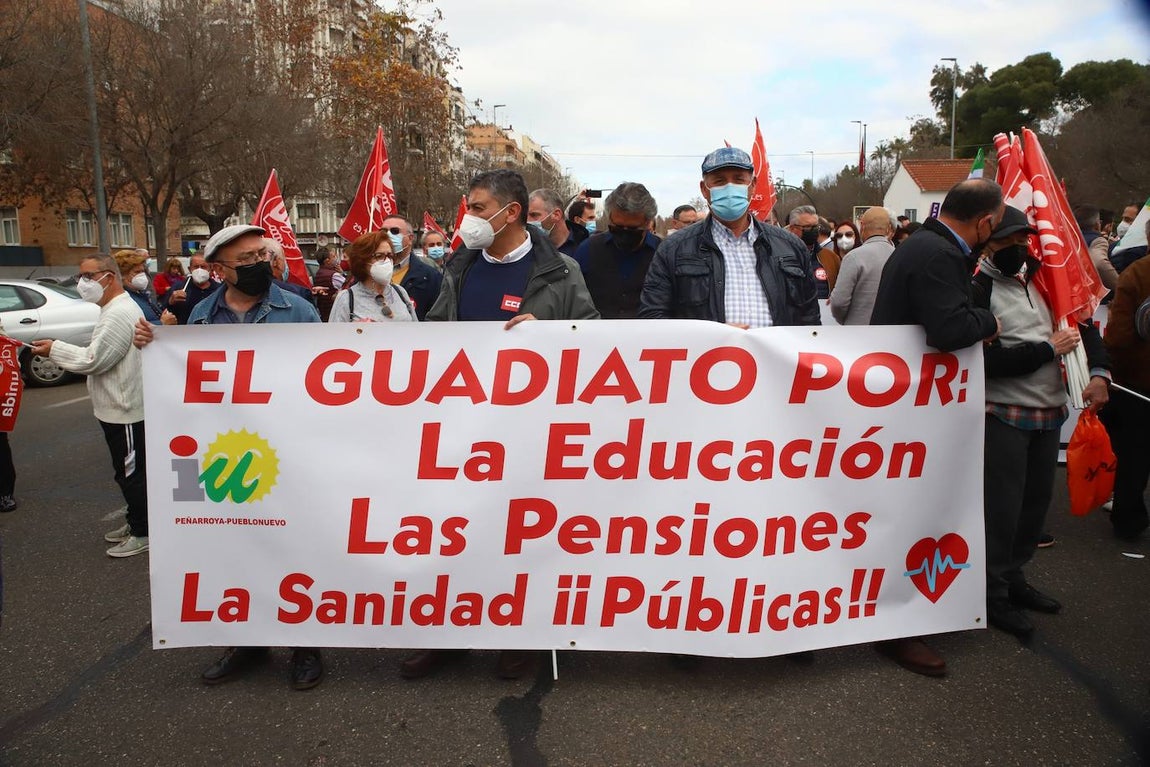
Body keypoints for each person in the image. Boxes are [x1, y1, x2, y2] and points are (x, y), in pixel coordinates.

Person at [405, 169, 598, 682]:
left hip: (530, 433)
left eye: (477, 206)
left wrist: (553, 334)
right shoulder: (458, 268)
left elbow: (595, 340)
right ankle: (449, 634)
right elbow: (436, 337)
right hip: (463, 428)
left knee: (520, 535)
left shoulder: (560, 272)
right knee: (454, 532)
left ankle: (521, 636)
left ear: (510, 213)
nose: (467, 216)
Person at [134, 224, 322, 689]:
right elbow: (185, 382)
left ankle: (305, 644)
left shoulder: (296, 309)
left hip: (288, 452)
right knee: (237, 547)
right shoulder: (200, 315)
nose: (261, 262)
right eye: (247, 258)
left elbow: (323, 377)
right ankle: (247, 641)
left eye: (263, 253)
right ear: (219, 269)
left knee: (294, 548)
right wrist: (156, 345)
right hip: (230, 454)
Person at [869, 178, 1005, 677]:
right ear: (985, 221)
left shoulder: (921, 245)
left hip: (912, 402)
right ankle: (897, 629)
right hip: (913, 409)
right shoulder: (938, 255)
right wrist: (988, 323)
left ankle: (906, 617)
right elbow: (949, 330)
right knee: (912, 512)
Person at [972, 206, 1110, 640]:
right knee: (1002, 509)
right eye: (1005, 242)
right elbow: (983, 361)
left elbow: (1084, 327)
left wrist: (1100, 373)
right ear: (986, 243)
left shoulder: (1049, 278)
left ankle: (1014, 577)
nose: (1016, 248)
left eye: (1021, 241)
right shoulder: (976, 288)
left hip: (1051, 414)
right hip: (1004, 414)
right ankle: (991, 595)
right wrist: (1047, 350)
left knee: (1034, 507)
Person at [31, 254, 147, 557]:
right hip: (114, 407)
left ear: (108, 277)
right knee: (125, 472)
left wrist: (55, 348)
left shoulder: (119, 312)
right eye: (80, 276)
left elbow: (94, 360)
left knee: (132, 474)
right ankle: (137, 519)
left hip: (126, 409)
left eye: (87, 276)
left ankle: (143, 529)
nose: (81, 283)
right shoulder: (111, 309)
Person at [639, 146, 820, 328]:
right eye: (719, 181)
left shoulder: (791, 246)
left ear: (753, 186)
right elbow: (653, 318)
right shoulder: (673, 249)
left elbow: (810, 321)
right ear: (704, 189)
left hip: (775, 356)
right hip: (706, 356)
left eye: (739, 180)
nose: (730, 188)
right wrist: (714, 337)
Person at [1101, 219, 1150, 541]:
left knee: (1133, 454)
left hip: (1137, 378)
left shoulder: (1138, 272)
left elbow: (1118, 334)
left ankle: (1129, 520)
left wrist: (1108, 367)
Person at [574, 182, 660, 318]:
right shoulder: (588, 249)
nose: (624, 233)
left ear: (648, 223)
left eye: (632, 228)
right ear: (609, 218)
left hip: (649, 336)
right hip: (596, 335)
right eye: (618, 226)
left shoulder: (663, 254)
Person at [329, 231, 417, 322]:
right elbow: (335, 335)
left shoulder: (400, 292)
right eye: (379, 256)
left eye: (389, 256)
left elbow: (416, 330)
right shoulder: (346, 299)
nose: (386, 261)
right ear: (362, 261)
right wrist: (357, 332)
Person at [829, 207, 896, 325]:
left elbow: (839, 302)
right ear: (889, 228)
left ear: (862, 226)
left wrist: (845, 320)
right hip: (893, 331)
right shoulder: (899, 256)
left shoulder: (853, 257)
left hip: (857, 331)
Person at [380, 215, 442, 321]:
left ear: (410, 238)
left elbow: (437, 318)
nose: (387, 235)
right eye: (383, 231)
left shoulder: (431, 277)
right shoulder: (366, 274)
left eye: (395, 231)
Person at [785, 205, 840, 299]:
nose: (814, 230)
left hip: (824, 312)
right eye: (808, 226)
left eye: (816, 226)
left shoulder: (831, 257)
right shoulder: (780, 256)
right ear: (793, 229)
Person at [113, 249, 175, 327]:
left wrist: (170, 303)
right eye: (137, 272)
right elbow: (130, 329)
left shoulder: (142, 294)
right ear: (122, 275)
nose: (142, 276)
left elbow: (155, 313)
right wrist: (162, 323)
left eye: (143, 271)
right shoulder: (123, 299)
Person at [163, 253, 221, 325]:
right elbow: (164, 311)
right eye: (196, 267)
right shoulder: (179, 288)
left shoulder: (219, 290)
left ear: (211, 269)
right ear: (190, 269)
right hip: (186, 332)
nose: (199, 270)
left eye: (203, 267)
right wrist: (170, 302)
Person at [1073, 205, 1119, 292]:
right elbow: (1099, 263)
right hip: (1081, 291)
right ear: (1098, 224)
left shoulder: (1066, 237)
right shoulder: (1098, 241)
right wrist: (1120, 285)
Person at [528, 188, 581, 258]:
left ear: (556, 215)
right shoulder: (526, 250)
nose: (527, 221)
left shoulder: (584, 247)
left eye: (534, 215)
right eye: (525, 216)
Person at [263, 238, 316, 305]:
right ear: (276, 261)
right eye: (284, 259)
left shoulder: (249, 291)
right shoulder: (299, 293)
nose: (286, 264)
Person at [310, 247, 342, 321]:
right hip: (333, 313)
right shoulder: (334, 276)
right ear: (327, 261)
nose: (336, 258)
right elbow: (348, 287)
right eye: (333, 256)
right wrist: (342, 273)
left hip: (324, 313)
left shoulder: (318, 273)